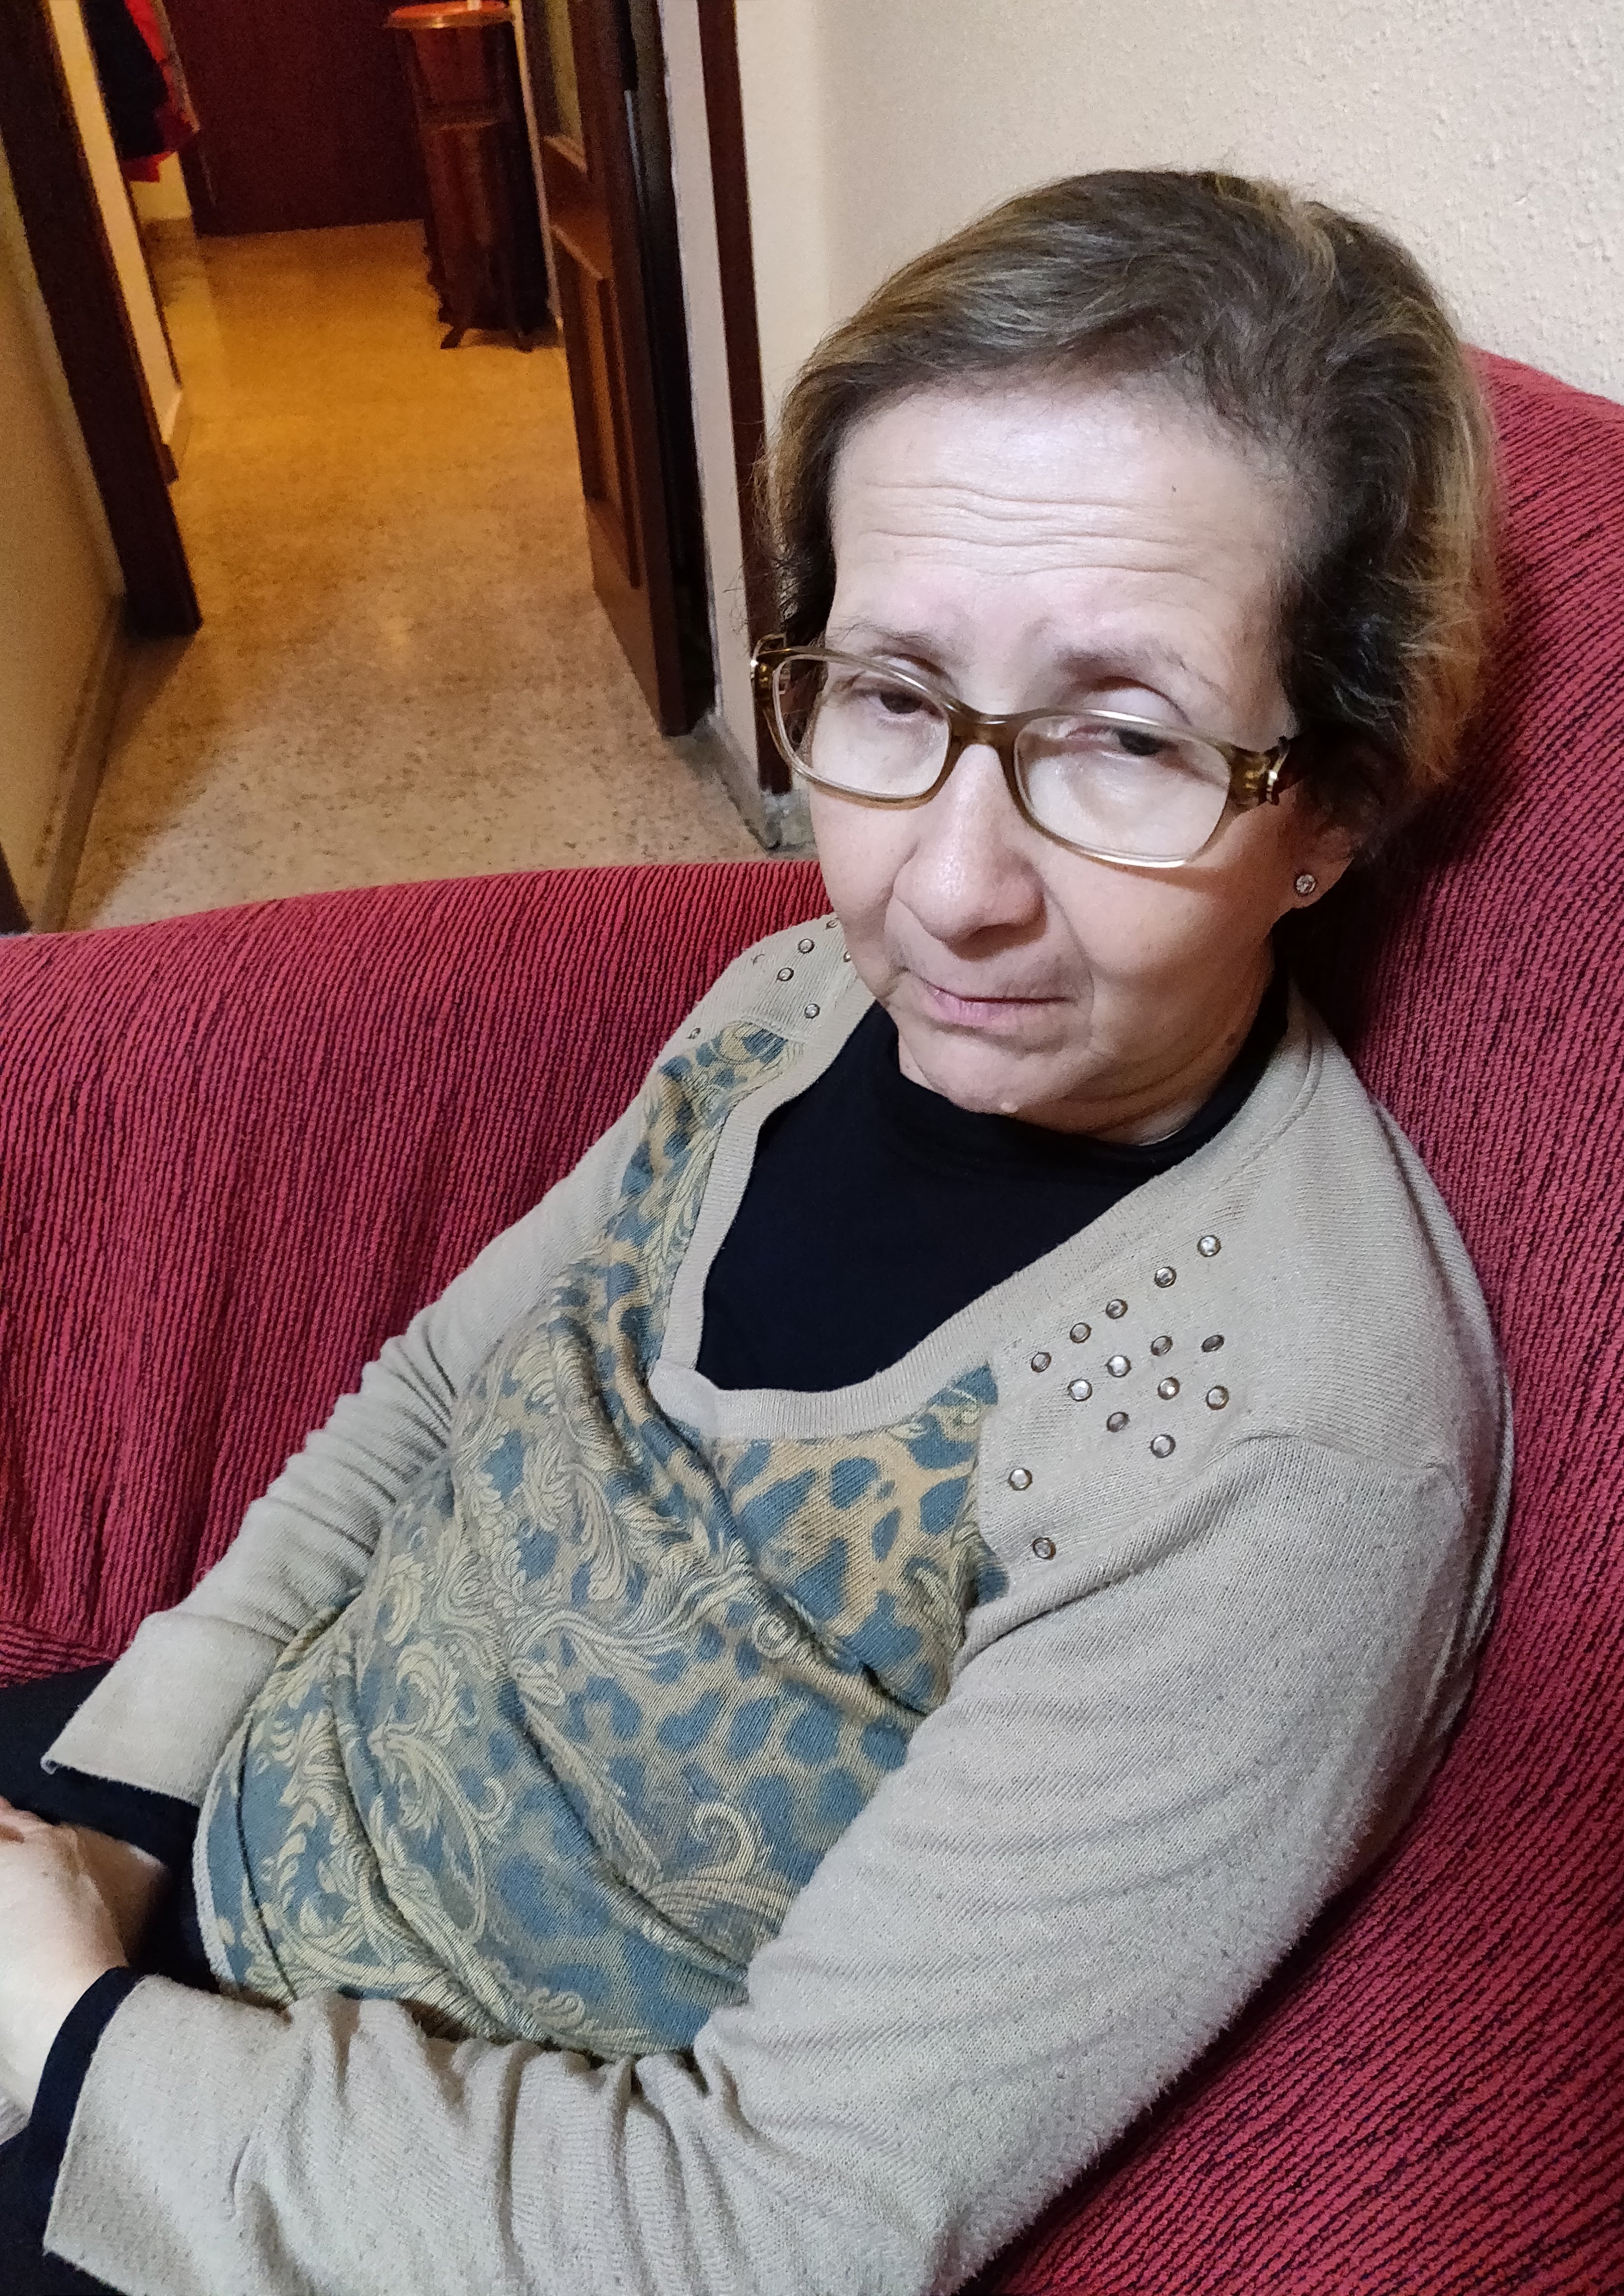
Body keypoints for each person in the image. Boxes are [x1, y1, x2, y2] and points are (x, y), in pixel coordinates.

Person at [0, 168, 1509, 2296]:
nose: (948, 890)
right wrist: (120, 1805)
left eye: (1125, 737)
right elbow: (437, 1395)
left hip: (331, 2198)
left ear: (1335, 807)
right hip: (173, 1855)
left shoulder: (1271, 1449)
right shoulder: (791, 1002)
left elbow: (768, 2230)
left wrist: (75, 2046)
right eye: (890, 693)